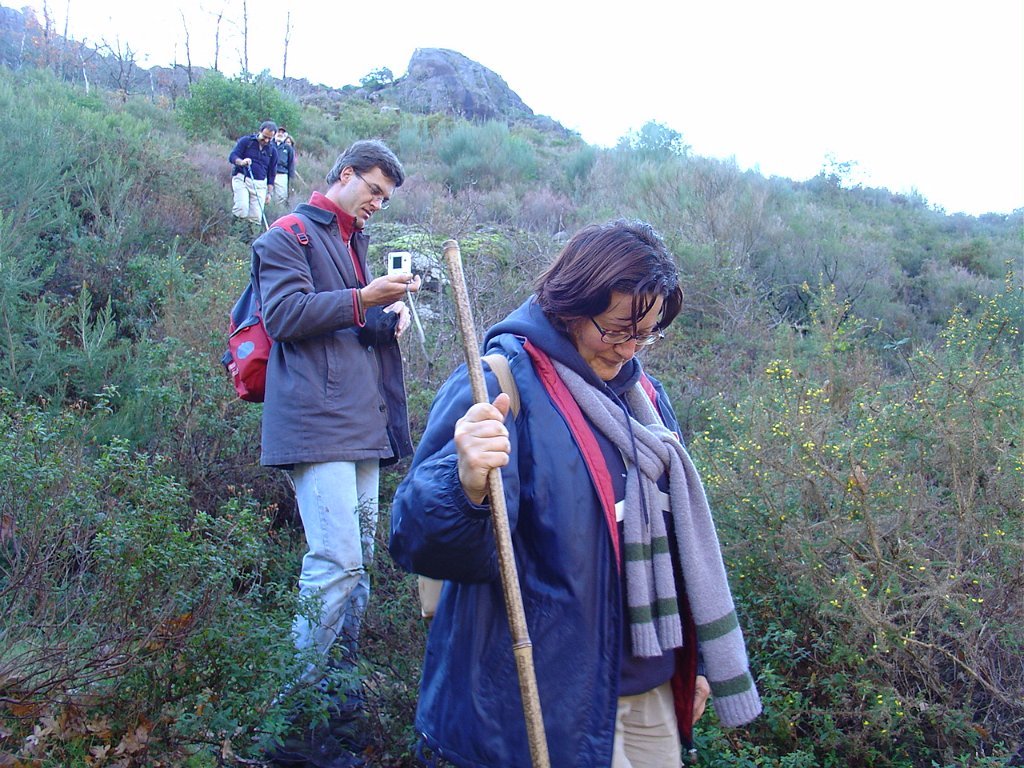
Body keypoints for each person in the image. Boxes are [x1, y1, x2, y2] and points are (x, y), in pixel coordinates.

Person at [389, 219, 761, 767]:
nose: (630, 349)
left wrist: (696, 661)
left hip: (651, 694)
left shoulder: (644, 398)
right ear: (571, 305)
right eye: (616, 330)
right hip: (543, 704)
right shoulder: (499, 384)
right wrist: (463, 483)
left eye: (646, 333)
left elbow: (682, 541)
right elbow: (413, 539)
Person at [255, 140, 421, 763]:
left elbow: (342, 327)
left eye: (385, 197)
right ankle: (290, 725)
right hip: (316, 424)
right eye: (373, 190)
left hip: (360, 427)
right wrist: (364, 299)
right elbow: (283, 317)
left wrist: (382, 319)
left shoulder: (352, 244)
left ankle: (337, 710)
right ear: (345, 174)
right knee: (336, 564)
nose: (377, 203)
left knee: (358, 574)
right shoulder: (287, 235)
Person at [229, 120, 278, 225]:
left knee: (256, 216)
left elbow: (271, 174)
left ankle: (249, 235)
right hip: (242, 179)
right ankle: (234, 233)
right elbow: (232, 156)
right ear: (259, 132)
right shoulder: (246, 141)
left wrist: (269, 193)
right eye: (264, 137)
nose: (266, 140)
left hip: (260, 185)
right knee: (242, 208)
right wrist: (241, 162)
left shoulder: (273, 151)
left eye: (269, 138)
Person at [271, 127, 296, 207]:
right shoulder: (269, 145)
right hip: (268, 174)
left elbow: (291, 164)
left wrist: (291, 179)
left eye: (282, 133)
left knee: (281, 197)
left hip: (282, 175)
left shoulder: (288, 148)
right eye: (279, 132)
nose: (280, 134)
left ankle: (279, 212)